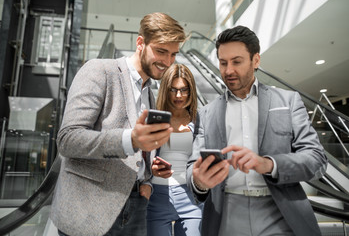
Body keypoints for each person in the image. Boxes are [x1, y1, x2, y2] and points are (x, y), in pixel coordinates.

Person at [50, 12, 186, 236]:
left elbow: (139, 153)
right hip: (91, 209)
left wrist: (149, 175)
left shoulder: (150, 93)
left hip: (137, 205)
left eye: (173, 54)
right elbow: (68, 139)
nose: (168, 62)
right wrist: (129, 139)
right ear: (140, 42)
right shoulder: (100, 70)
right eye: (161, 51)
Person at [186, 26, 328, 236]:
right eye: (223, 63)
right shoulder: (206, 113)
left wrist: (268, 164)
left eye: (237, 61)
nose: (228, 71)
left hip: (281, 213)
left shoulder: (288, 102)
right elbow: (192, 167)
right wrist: (199, 180)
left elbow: (316, 159)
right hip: (226, 214)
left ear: (256, 61)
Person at [147, 64, 202, 236]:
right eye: (173, 90)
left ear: (191, 91)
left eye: (184, 90)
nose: (179, 95)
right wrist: (151, 168)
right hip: (157, 196)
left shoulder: (199, 120)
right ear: (165, 90)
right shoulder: (154, 118)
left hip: (190, 198)